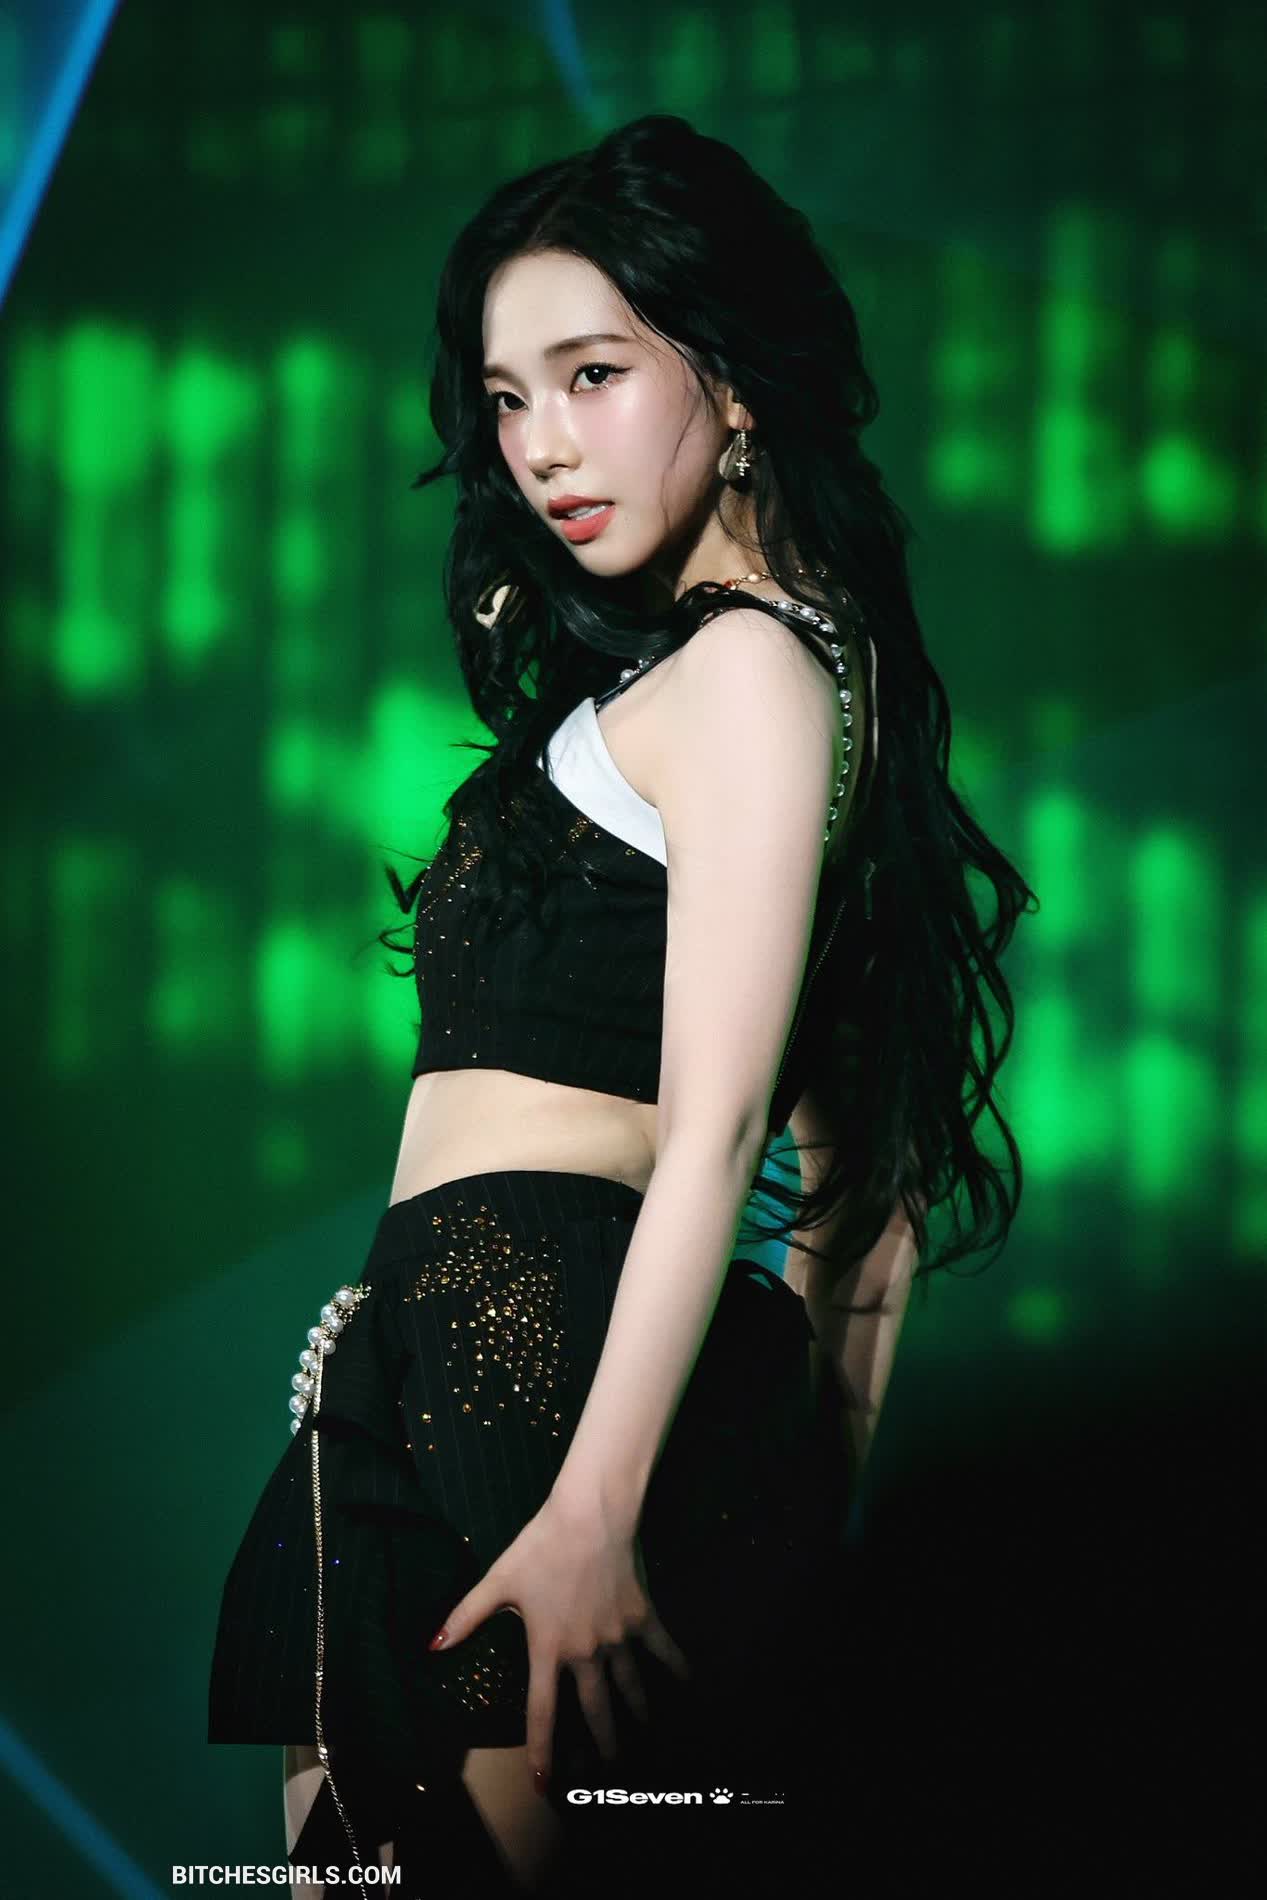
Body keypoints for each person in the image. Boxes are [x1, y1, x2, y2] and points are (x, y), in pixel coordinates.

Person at [208, 113, 1036, 1897]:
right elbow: (864, 1187)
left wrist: (603, 1509)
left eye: (592, 374)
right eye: (510, 398)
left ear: (730, 380)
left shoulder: (753, 673)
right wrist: (410, 1331)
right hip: (466, 1362)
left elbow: (731, 1132)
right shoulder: (743, 673)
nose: (540, 443)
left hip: (551, 1386)